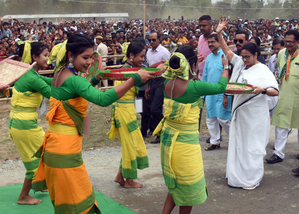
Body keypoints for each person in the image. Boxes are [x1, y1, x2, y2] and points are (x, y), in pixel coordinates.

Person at [32, 34, 155, 213]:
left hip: (54, 146)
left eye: (91, 57)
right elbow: (103, 99)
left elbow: (78, 90)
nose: (89, 62)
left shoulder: (60, 74)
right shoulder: (75, 80)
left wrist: (97, 78)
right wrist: (134, 79)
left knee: (67, 205)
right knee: (81, 205)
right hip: (64, 151)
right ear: (71, 55)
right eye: (85, 57)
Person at [153, 45, 229, 214]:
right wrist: (226, 67)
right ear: (191, 65)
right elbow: (220, 87)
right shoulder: (195, 87)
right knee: (187, 188)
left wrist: (192, 64)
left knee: (176, 183)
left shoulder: (167, 83)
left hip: (168, 141)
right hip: (185, 146)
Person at [216, 19, 279, 190]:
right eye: (242, 57)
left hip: (255, 116)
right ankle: (237, 176)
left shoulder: (263, 70)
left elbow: (275, 91)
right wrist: (219, 33)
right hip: (240, 114)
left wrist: (262, 90)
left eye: (247, 57)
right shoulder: (240, 65)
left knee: (252, 146)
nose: (244, 60)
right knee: (239, 144)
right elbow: (226, 50)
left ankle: (251, 178)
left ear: (256, 55)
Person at [9, 41, 52, 205]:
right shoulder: (32, 78)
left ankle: (40, 185)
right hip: (23, 125)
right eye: (45, 55)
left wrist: (67, 77)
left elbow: (49, 82)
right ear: (34, 57)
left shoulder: (31, 74)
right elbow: (53, 91)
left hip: (23, 123)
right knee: (36, 158)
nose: (48, 59)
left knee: (44, 151)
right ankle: (23, 197)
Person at [109, 41, 149, 188]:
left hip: (125, 110)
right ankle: (129, 181)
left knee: (128, 145)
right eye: (141, 56)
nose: (143, 60)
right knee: (130, 145)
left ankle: (120, 176)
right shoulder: (129, 72)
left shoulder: (126, 68)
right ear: (131, 56)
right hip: (124, 112)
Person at [266, 30, 299, 168]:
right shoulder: (281, 53)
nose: (288, 44)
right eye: (286, 41)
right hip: (283, 94)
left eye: (291, 41)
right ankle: (278, 153)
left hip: (297, 96)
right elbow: (277, 71)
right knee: (281, 123)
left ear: (298, 42)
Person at [202, 34, 232, 151]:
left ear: (219, 42)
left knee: (223, 119)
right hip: (210, 93)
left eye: (213, 42)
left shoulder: (226, 56)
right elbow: (205, 75)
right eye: (208, 42)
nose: (210, 44)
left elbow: (229, 76)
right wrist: (203, 94)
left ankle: (234, 139)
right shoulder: (208, 58)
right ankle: (215, 141)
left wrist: (226, 94)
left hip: (222, 93)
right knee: (211, 118)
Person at [145, 31, 170, 144]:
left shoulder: (164, 52)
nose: (151, 42)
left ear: (159, 39)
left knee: (156, 109)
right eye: (149, 40)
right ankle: (160, 134)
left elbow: (172, 64)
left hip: (162, 80)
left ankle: (165, 131)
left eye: (153, 40)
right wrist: (147, 87)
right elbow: (149, 70)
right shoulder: (148, 53)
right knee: (153, 109)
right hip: (152, 81)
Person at [197, 15, 214, 80]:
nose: (201, 28)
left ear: (211, 25)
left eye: (204, 26)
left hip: (211, 77)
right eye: (200, 26)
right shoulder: (200, 38)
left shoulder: (217, 38)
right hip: (200, 76)